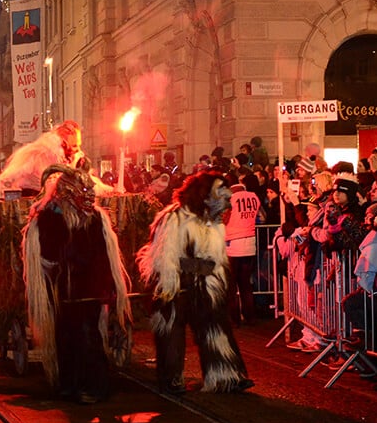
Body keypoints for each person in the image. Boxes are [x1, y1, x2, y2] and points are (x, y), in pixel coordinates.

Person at [137, 171, 254, 394]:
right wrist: (197, 269)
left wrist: (215, 278)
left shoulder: (213, 222)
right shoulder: (174, 218)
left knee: (216, 328)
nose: (227, 204)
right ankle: (171, 380)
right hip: (175, 286)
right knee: (171, 332)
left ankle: (225, 377)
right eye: (221, 196)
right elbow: (164, 259)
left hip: (205, 285)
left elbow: (216, 259)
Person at [23, 165, 131, 403]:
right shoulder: (49, 218)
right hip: (63, 290)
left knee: (89, 334)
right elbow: (47, 254)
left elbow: (104, 255)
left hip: (89, 288)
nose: (89, 196)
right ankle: (69, 383)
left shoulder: (95, 219)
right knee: (66, 335)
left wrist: (107, 287)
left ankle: (93, 385)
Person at [224, 171, 262, 325]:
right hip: (250, 241)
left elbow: (224, 218)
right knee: (246, 283)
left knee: (231, 284)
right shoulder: (254, 197)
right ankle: (250, 317)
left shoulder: (229, 199)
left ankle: (234, 319)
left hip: (233, 243)